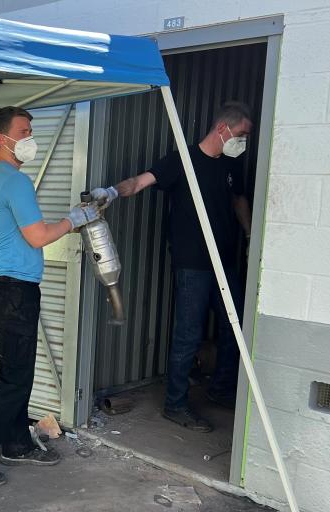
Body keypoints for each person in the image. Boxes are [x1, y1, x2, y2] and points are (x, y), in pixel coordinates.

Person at [0, 106, 99, 487]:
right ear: (4, 138)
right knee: (15, 378)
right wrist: (76, 219)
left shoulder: (2, 178)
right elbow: (38, 237)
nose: (31, 137)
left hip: (7, 290)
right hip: (12, 292)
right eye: (24, 130)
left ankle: (16, 442)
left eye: (31, 130)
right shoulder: (14, 182)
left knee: (17, 373)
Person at [91, 101, 253, 433]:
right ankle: (175, 405)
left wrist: (250, 235)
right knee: (188, 334)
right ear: (223, 129)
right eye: (242, 134)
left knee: (234, 326)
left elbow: (238, 200)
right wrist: (111, 192)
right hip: (192, 264)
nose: (244, 141)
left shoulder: (232, 165)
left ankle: (221, 390)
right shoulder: (184, 159)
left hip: (225, 261)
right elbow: (139, 182)